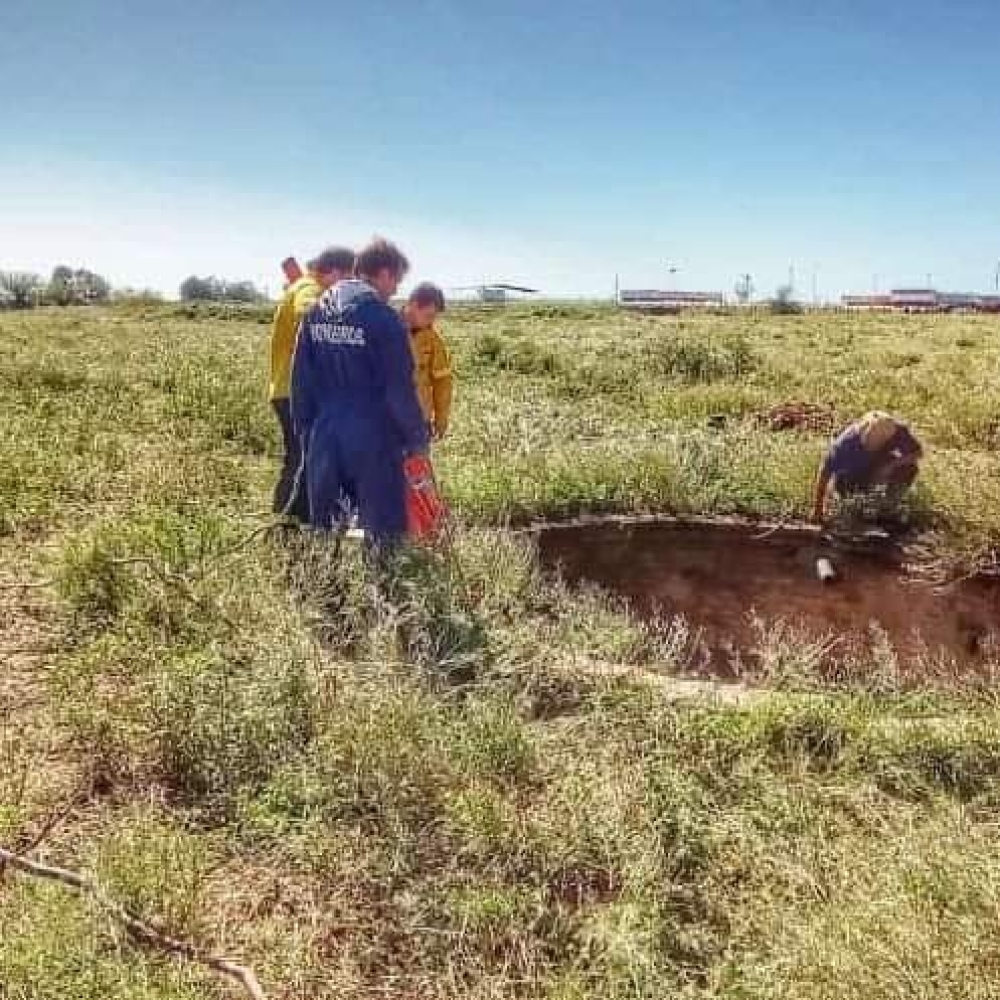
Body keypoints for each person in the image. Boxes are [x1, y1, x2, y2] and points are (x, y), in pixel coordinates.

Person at [291, 238, 429, 546]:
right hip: (374, 440)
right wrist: (416, 438)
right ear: (383, 273)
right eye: (396, 280)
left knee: (327, 531)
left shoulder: (315, 314)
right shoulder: (384, 320)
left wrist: (306, 432)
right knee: (383, 532)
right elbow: (399, 390)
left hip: (325, 435)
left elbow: (301, 381)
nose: (395, 290)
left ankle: (325, 593)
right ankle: (381, 592)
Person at [269, 246, 355, 518]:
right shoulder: (310, 288)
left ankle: (298, 524)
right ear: (333, 271)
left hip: (296, 390)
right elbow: (308, 312)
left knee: (306, 460)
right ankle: (287, 526)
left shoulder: (309, 286)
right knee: (300, 460)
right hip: (295, 392)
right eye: (348, 279)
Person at [812, 411, 923, 524]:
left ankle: (887, 507)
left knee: (909, 468)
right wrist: (818, 509)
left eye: (880, 441)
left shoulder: (895, 430)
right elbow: (825, 472)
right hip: (851, 478)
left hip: (878, 468)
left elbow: (917, 452)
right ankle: (858, 507)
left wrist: (891, 465)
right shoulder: (846, 444)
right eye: (871, 442)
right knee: (854, 511)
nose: (874, 444)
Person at [402, 282, 453, 441]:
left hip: (419, 421)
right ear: (413, 305)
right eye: (428, 316)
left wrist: (441, 418)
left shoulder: (433, 339)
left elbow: (442, 381)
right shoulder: (386, 328)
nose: (431, 321)